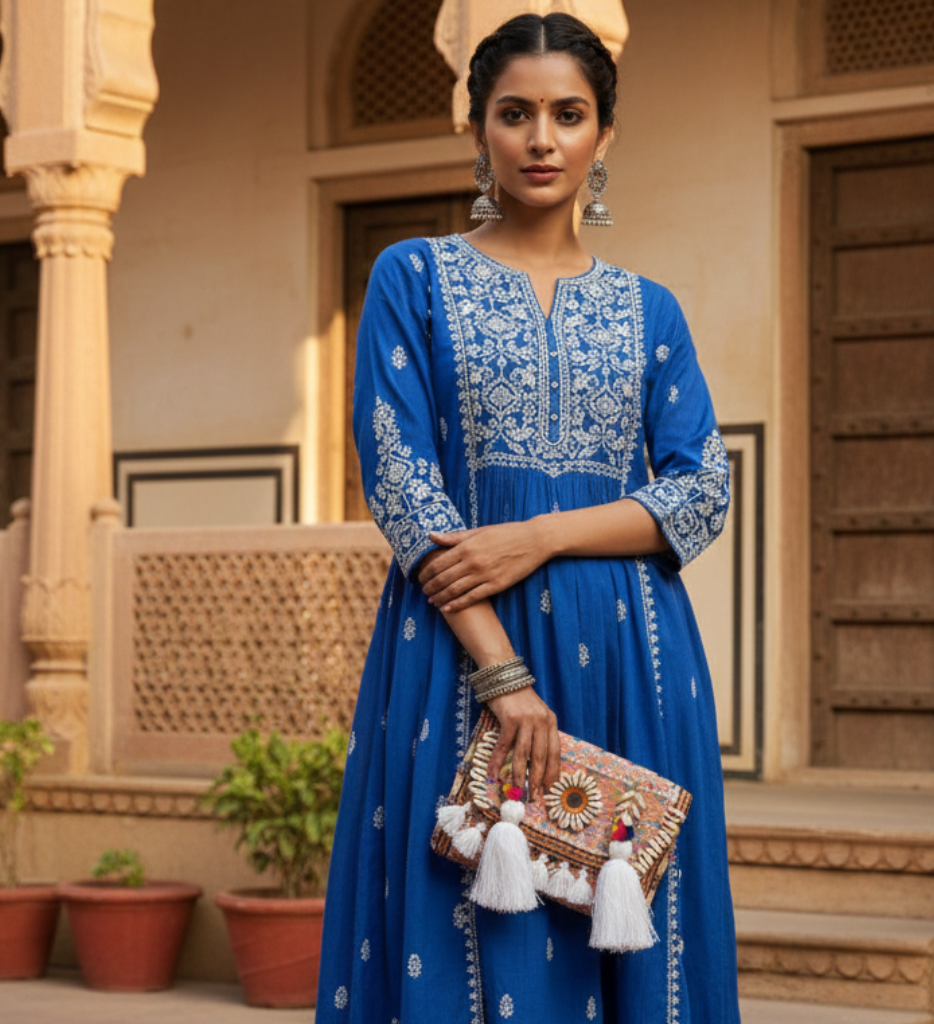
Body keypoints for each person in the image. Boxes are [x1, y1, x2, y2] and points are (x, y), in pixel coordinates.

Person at [316, 13, 740, 1024]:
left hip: (635, 656)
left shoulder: (651, 311)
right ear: (476, 129)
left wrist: (541, 534)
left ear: (604, 135)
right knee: (471, 930)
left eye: (568, 114)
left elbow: (703, 487)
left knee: (633, 928)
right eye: (515, 113)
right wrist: (503, 675)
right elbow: (403, 479)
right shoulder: (412, 277)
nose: (541, 139)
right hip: (461, 656)